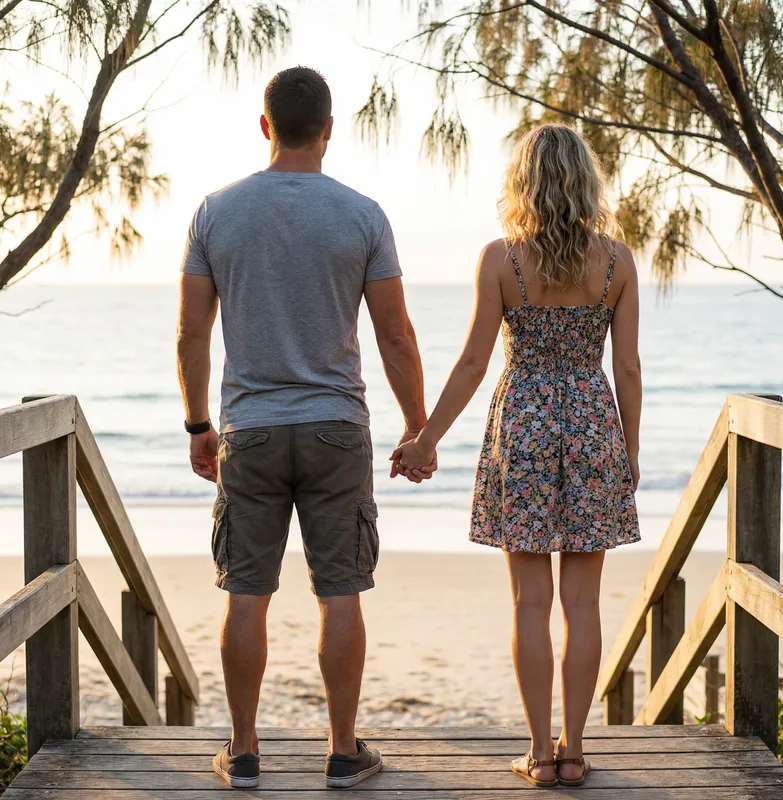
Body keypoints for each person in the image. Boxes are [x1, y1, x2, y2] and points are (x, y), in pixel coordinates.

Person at [177, 66, 434, 790]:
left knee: (246, 593)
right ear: (328, 130)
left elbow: (191, 334)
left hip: (250, 431)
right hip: (335, 430)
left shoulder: (214, 213)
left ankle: (246, 750)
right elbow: (396, 338)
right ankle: (344, 752)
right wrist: (418, 428)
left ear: (265, 127)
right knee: (340, 591)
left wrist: (200, 425)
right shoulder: (362, 214)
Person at [392, 123, 641, 788]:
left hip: (524, 426)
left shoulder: (501, 259)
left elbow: (475, 361)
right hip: (592, 425)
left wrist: (425, 438)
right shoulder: (617, 262)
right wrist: (630, 455)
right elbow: (629, 369)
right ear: (587, 181)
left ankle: (538, 752)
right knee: (582, 604)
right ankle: (576, 751)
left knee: (530, 603)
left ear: (522, 182)